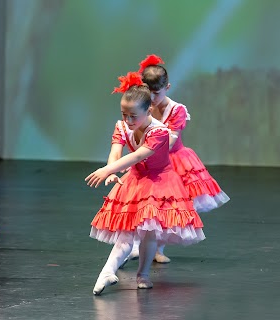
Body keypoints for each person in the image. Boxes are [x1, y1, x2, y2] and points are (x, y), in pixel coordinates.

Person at [85, 72, 205, 295]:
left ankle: (143, 273)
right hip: (136, 179)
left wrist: (108, 169)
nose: (128, 121)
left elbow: (139, 155)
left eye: (133, 116)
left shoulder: (159, 132)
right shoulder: (122, 126)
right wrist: (112, 169)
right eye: (124, 115)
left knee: (149, 231)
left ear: (148, 110)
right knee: (126, 232)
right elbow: (116, 151)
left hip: (159, 181)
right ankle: (107, 272)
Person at [122, 54, 230, 266]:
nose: (152, 98)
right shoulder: (142, 107)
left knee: (166, 207)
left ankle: (157, 247)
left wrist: (145, 155)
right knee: (140, 203)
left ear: (167, 87)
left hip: (170, 162)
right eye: (148, 93)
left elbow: (166, 142)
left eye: (156, 93)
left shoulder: (176, 110)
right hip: (146, 157)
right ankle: (134, 245)